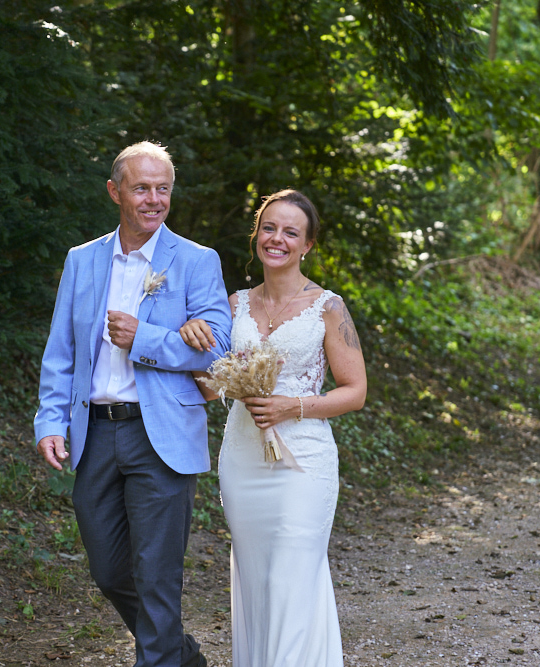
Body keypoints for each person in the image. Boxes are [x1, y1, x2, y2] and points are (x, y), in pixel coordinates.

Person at [34, 141, 232, 667]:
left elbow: (220, 348)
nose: (154, 199)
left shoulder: (196, 260)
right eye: (141, 188)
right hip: (95, 433)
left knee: (157, 574)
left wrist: (143, 337)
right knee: (109, 571)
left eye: (162, 189)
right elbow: (61, 351)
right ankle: (180, 656)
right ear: (114, 191)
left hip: (161, 432)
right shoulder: (82, 260)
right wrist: (50, 420)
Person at [179, 189, 367, 667]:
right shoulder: (233, 304)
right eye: (269, 228)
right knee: (259, 581)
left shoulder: (328, 307)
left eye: (290, 232)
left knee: (291, 578)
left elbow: (355, 392)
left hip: (303, 461)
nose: (277, 239)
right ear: (257, 235)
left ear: (307, 245)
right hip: (243, 458)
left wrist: (291, 406)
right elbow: (210, 387)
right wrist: (191, 341)